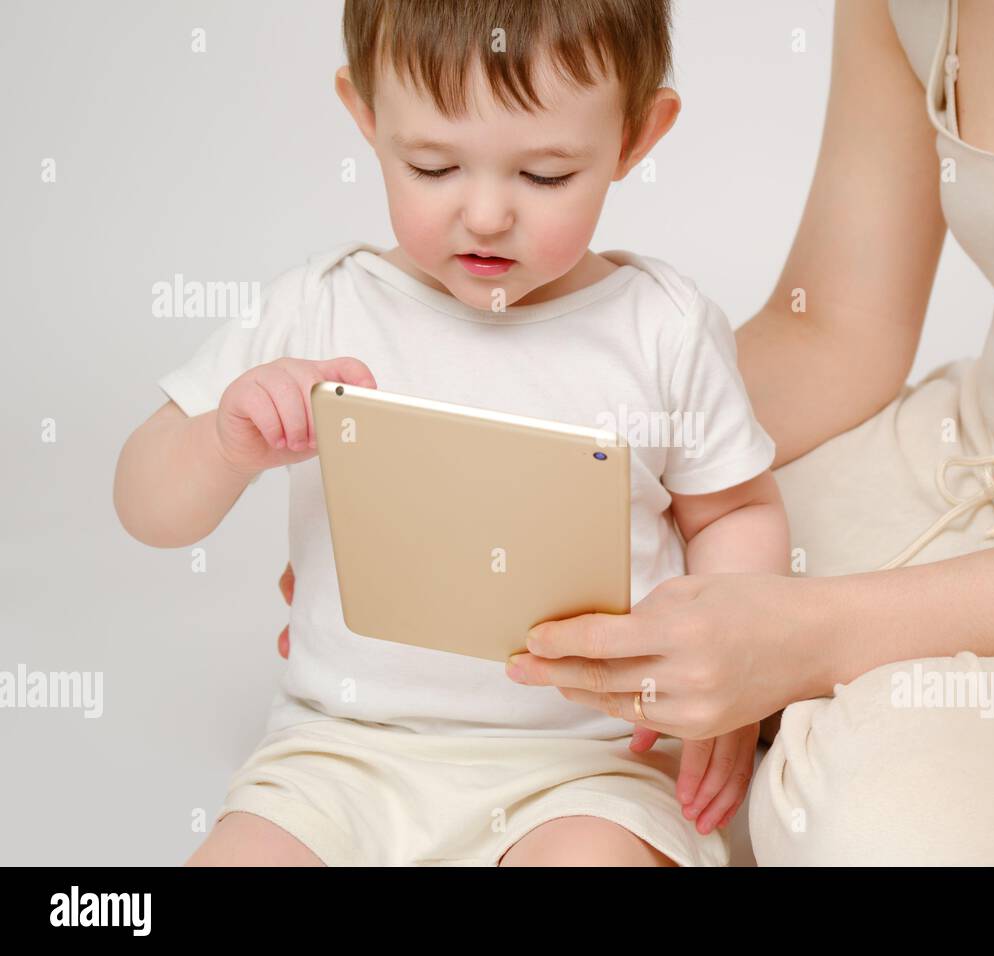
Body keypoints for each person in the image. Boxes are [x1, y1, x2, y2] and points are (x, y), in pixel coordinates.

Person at [491, 0, 994, 864]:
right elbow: (837, 328)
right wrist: (574, 448)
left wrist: (814, 636)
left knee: (875, 819)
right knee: (622, 609)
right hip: (982, 460)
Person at [115, 0, 790, 867]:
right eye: (432, 166)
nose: (484, 216)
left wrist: (735, 676)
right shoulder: (318, 307)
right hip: (342, 753)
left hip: (584, 769)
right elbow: (146, 508)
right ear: (365, 115)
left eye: (545, 176)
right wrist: (223, 442)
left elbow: (732, 514)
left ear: (635, 137)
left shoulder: (660, 329)